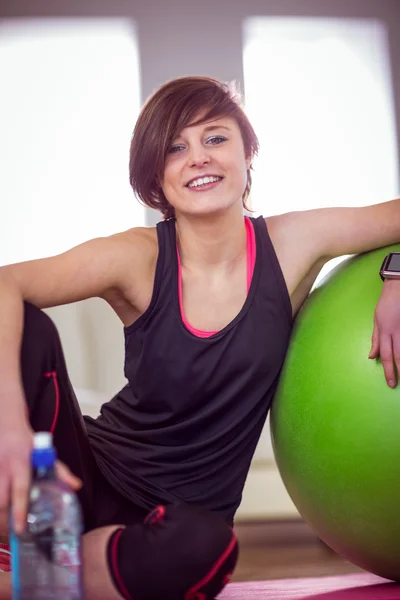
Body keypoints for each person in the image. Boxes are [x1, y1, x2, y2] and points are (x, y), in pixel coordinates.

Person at [0, 75, 399, 600]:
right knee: (27, 330)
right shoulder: (136, 256)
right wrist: (10, 427)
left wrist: (395, 273)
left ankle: (33, 574)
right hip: (80, 480)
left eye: (216, 138)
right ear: (155, 177)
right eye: (175, 148)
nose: (199, 158)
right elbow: (7, 283)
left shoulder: (292, 242)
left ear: (247, 150)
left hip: (179, 524)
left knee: (206, 550)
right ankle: (50, 561)